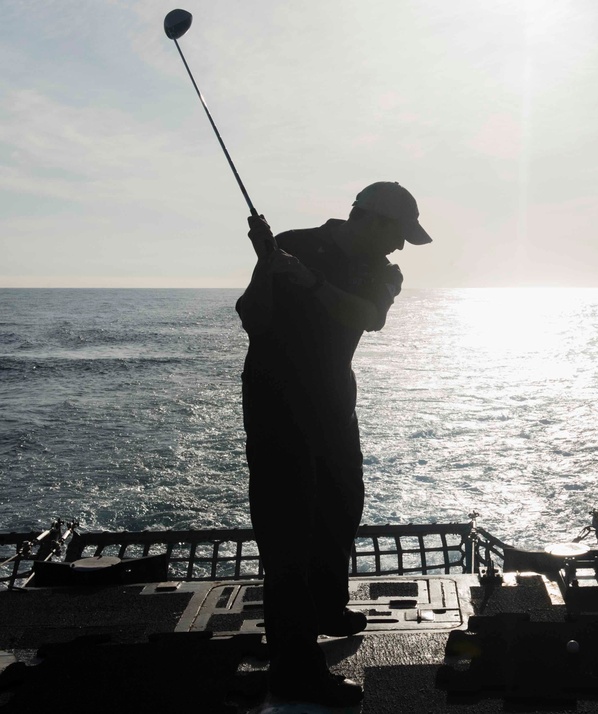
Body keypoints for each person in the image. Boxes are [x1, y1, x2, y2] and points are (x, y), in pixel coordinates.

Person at [236, 182, 432, 707]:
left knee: (342, 504)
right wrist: (268, 269)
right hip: (277, 401)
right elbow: (251, 317)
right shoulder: (292, 243)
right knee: (287, 531)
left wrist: (306, 278)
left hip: (332, 401)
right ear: (369, 220)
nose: (400, 249)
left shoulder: (384, 272)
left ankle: (325, 606)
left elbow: (366, 317)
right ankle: (294, 667)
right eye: (398, 235)